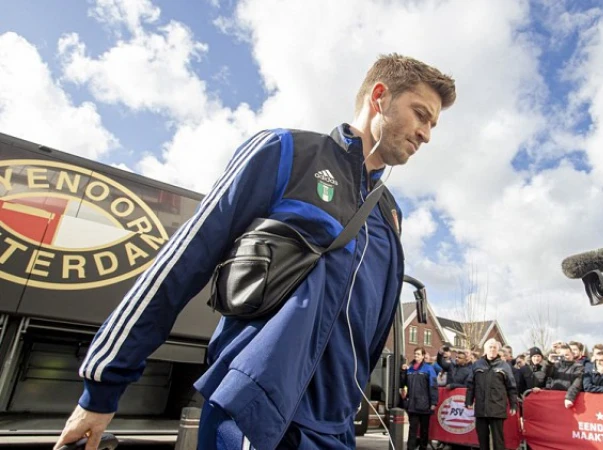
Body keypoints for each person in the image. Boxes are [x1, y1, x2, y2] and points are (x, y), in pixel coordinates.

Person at [54, 54, 456, 450]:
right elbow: (181, 263)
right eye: (420, 114)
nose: (426, 134)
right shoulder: (286, 152)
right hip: (254, 412)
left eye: (433, 124)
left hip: (335, 427)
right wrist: (102, 388)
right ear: (380, 97)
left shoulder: (390, 216)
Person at [466, 339, 517, 450]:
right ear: (485, 349)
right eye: (490, 347)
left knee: (498, 441)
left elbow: (511, 387)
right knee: (482, 440)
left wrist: (513, 405)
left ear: (498, 350)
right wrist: (468, 400)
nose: (492, 349)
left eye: (495, 347)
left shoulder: (504, 366)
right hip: (481, 408)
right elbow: (471, 384)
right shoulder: (477, 364)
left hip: (497, 408)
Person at [400, 348, 438, 450]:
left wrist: (434, 402)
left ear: (423, 356)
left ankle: (423, 447)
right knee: (412, 429)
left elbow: (433, 386)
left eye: (418, 354)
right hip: (412, 404)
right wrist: (403, 372)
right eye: (415, 353)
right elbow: (403, 383)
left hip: (425, 404)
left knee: (424, 430)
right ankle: (410, 448)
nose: (416, 355)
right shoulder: (410, 369)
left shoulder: (428, 369)